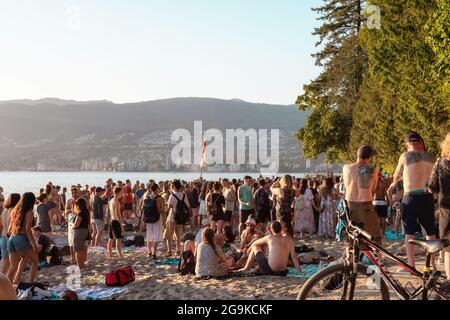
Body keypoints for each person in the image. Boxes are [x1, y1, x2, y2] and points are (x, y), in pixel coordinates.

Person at [389, 132, 437, 269]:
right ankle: (432, 264)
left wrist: (397, 184)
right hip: (427, 196)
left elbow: (396, 175)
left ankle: (411, 264)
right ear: (421, 143)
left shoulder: (405, 156)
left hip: (410, 197)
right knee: (430, 232)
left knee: (409, 232)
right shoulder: (430, 157)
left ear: (407, 145)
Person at [343, 145, 382, 246]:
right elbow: (372, 190)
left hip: (350, 205)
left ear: (357, 155)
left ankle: (350, 257)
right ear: (369, 157)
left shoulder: (346, 168)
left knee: (352, 234)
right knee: (374, 235)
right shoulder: (372, 171)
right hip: (366, 205)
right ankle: (379, 257)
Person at [428, 132, 450, 278]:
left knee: (448, 248)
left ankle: (449, 279)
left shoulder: (440, 164)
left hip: (446, 210)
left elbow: (432, 187)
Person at [6, 192, 39, 284]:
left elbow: (9, 230)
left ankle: (11, 283)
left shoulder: (16, 211)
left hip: (12, 238)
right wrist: (34, 245)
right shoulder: (29, 212)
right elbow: (28, 230)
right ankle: (30, 283)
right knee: (35, 261)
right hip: (21, 238)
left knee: (16, 264)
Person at [164, 180, 191, 256]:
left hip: (172, 217)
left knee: (169, 235)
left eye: (172, 186)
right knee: (178, 235)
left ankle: (169, 251)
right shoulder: (184, 195)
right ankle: (178, 250)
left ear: (174, 187)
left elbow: (169, 206)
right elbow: (188, 206)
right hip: (181, 218)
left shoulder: (172, 196)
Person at [140, 183, 164, 259]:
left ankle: (149, 252)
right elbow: (162, 210)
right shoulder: (160, 198)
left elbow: (143, 209)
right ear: (157, 189)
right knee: (157, 235)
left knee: (149, 235)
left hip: (149, 219)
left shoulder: (147, 198)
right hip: (157, 218)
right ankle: (154, 252)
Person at [0, 193, 21, 274]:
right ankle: (11, 280)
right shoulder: (15, 210)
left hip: (2, 237)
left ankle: (2, 279)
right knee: (14, 262)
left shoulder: (4, 211)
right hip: (11, 237)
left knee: (5, 260)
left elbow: (1, 225)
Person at [71, 198, 91, 268]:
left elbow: (76, 224)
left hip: (79, 231)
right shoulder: (87, 211)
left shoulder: (81, 213)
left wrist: (72, 225)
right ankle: (82, 264)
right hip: (85, 231)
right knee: (82, 249)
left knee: (78, 249)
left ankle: (80, 266)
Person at [107, 187, 124, 258]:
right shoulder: (116, 201)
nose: (122, 193)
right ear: (118, 192)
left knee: (111, 238)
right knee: (118, 239)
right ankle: (120, 255)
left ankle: (110, 254)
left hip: (111, 220)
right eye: (121, 192)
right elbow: (118, 213)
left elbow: (109, 212)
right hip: (116, 221)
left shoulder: (111, 200)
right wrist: (121, 224)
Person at [65, 187, 79, 263]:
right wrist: (71, 210)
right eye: (73, 193)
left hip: (78, 221)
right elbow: (65, 211)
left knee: (76, 240)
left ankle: (77, 257)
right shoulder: (69, 201)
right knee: (70, 240)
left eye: (75, 192)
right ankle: (72, 257)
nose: (74, 194)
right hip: (71, 221)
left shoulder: (80, 200)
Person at [373, 171, 389, 236]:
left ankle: (376, 232)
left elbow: (371, 192)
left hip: (375, 201)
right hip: (382, 201)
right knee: (383, 218)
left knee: (376, 218)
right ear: (381, 176)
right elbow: (387, 193)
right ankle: (383, 232)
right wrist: (388, 200)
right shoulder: (384, 183)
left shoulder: (374, 184)